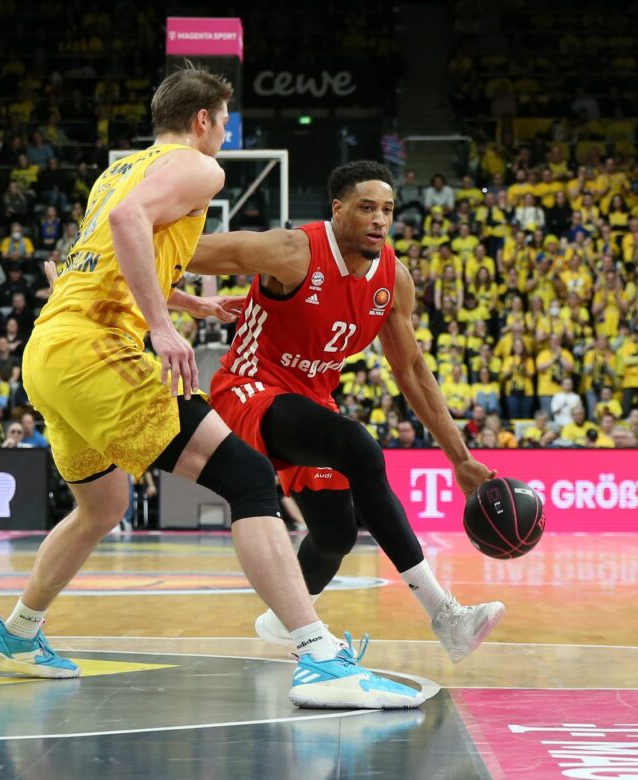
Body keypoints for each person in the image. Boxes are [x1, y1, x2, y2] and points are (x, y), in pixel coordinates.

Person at [0, 67, 419, 709]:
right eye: (225, 118)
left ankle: (15, 632)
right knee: (248, 478)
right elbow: (129, 224)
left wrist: (192, 306)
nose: (228, 131)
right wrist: (162, 327)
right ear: (204, 120)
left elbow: (102, 250)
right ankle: (321, 659)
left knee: (101, 506)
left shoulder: (118, 170)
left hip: (49, 351)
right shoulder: (199, 169)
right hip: (97, 349)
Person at [188, 161, 504, 663]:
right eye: (366, 208)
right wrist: (152, 263)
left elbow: (414, 374)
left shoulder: (392, 278)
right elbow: (187, 251)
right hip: (248, 390)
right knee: (357, 445)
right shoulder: (293, 251)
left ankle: (281, 622)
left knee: (334, 536)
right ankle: (445, 614)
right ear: (338, 210)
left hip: (310, 399)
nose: (380, 219)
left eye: (387, 210)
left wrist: (459, 457)